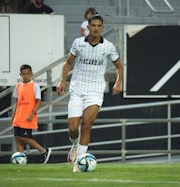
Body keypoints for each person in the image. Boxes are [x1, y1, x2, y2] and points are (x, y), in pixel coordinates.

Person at [56, 13, 123, 172]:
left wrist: (118, 83)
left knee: (86, 124)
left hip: (95, 90)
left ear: (102, 28)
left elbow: (120, 66)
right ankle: (74, 145)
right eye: (93, 25)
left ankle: (79, 163)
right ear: (88, 27)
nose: (96, 28)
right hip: (77, 89)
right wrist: (62, 81)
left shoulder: (108, 46)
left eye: (99, 26)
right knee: (73, 128)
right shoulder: (78, 43)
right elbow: (68, 63)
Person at [12, 64, 51, 164]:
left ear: (31, 74)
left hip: (28, 117)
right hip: (18, 116)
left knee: (25, 137)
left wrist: (32, 113)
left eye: (27, 74)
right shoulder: (18, 85)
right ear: (20, 74)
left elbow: (38, 101)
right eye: (23, 74)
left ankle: (43, 151)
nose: (25, 76)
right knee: (17, 138)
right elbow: (17, 101)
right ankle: (20, 159)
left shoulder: (35, 85)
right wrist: (14, 114)